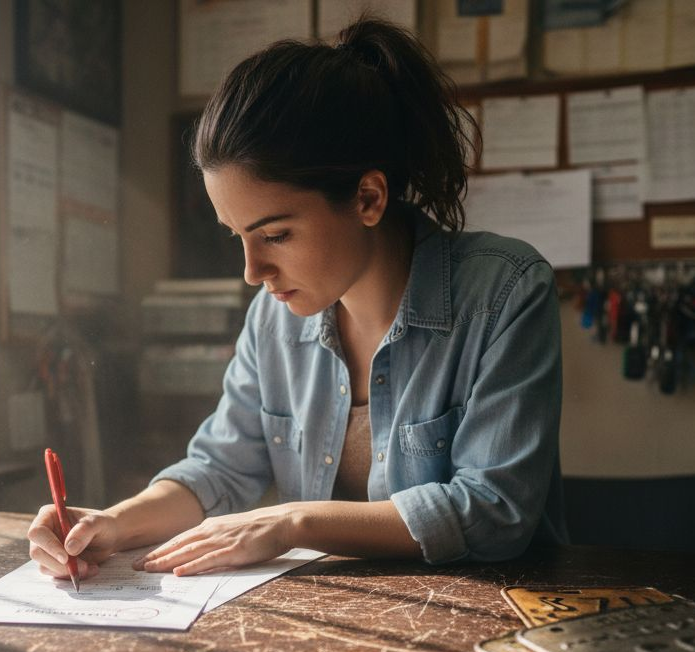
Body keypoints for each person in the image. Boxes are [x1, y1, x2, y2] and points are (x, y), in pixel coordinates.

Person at [28, 16, 564, 581]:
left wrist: (290, 522)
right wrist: (113, 523)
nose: (252, 272)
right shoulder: (274, 318)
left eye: (276, 235)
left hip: (498, 610)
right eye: (237, 236)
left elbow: (494, 511)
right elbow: (219, 469)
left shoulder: (505, 292)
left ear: (368, 198)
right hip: (341, 611)